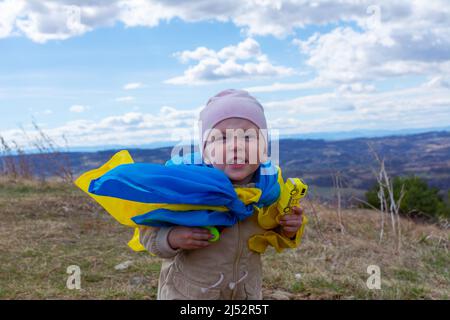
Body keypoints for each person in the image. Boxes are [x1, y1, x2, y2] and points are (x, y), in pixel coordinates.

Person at [139, 89, 306, 299]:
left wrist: (289, 228)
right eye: (222, 138)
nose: (236, 145)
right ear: (206, 151)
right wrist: (172, 237)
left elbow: (277, 234)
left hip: (245, 294)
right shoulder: (186, 188)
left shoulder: (270, 190)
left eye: (248, 136)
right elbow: (147, 233)